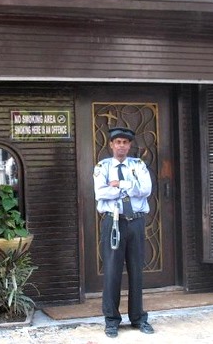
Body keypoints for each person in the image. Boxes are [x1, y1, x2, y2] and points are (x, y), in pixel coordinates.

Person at [93, 126, 155, 338]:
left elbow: (146, 189)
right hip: (113, 222)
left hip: (135, 222)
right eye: (117, 142)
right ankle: (112, 320)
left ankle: (138, 318)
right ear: (111, 145)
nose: (121, 146)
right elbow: (100, 192)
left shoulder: (138, 165)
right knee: (112, 271)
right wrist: (131, 187)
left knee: (137, 271)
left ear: (130, 145)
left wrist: (121, 183)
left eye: (125, 142)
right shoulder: (102, 167)